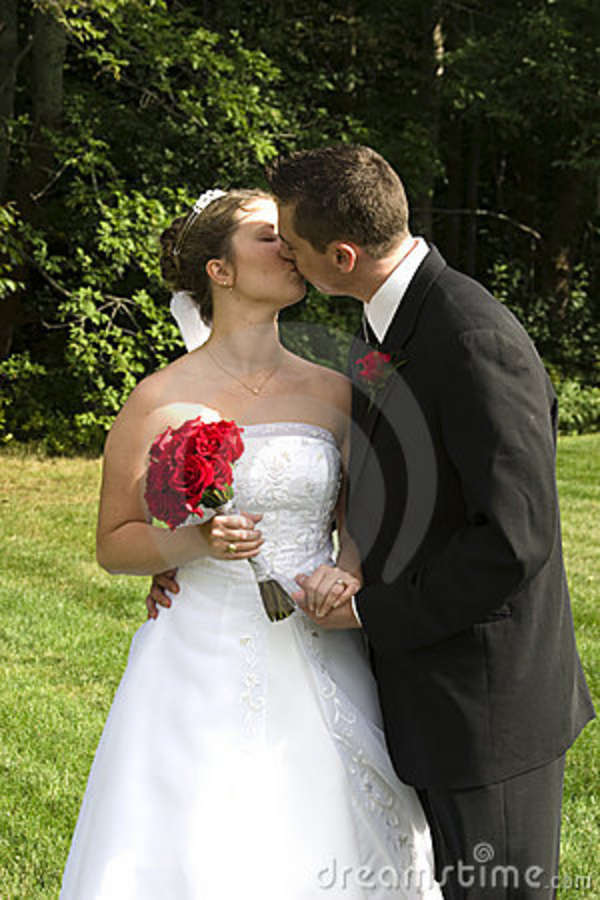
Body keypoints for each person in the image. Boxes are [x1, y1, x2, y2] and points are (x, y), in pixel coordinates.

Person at [147, 145, 595, 899]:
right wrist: (186, 550)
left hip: (487, 705)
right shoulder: (382, 322)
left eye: (290, 239)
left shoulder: (472, 339)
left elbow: (515, 541)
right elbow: (383, 476)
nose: (283, 250)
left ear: (342, 254)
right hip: (422, 689)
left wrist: (367, 606)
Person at [60, 187, 442, 899]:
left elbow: (359, 519)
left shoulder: (338, 388)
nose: (289, 245)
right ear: (220, 270)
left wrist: (348, 572)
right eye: (268, 236)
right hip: (194, 654)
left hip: (317, 635)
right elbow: (114, 543)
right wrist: (193, 543)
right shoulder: (157, 399)